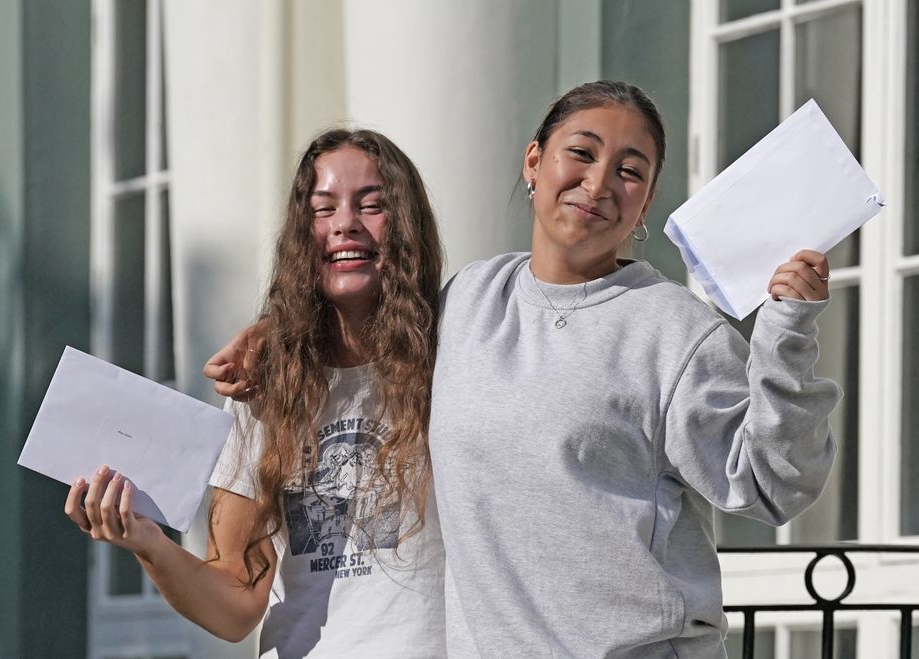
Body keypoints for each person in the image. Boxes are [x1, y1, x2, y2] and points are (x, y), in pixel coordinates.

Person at [209, 81, 841, 657]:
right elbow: (373, 312)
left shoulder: (674, 332)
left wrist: (787, 335)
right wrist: (274, 338)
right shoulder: (467, 304)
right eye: (582, 154)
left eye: (630, 171)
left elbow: (772, 485)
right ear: (534, 163)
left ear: (645, 201)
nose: (598, 185)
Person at [65, 128, 447, 658]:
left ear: (406, 226)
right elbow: (235, 603)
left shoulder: (455, 355)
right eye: (322, 209)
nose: (345, 225)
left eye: (373, 205)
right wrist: (146, 542)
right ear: (299, 235)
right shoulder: (267, 387)